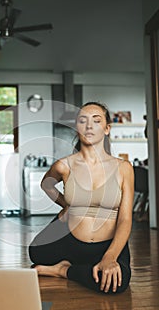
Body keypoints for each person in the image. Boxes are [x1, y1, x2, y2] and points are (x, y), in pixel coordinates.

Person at [29, 101, 134, 294]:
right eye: (82, 120)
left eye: (96, 120)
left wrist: (110, 257)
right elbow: (46, 184)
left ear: (107, 128)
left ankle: (64, 270)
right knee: (36, 252)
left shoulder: (123, 168)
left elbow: (126, 219)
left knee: (117, 282)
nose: (89, 126)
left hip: (106, 246)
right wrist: (65, 205)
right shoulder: (64, 165)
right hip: (72, 241)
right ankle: (79, 266)